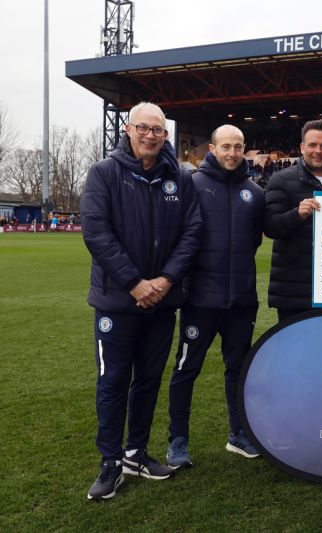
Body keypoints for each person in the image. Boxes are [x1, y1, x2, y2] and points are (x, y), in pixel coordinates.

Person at [80, 102, 201, 500]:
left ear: (166, 135)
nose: (151, 135)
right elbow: (96, 234)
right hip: (117, 303)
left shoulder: (179, 178)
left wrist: (165, 281)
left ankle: (136, 452)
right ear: (129, 130)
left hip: (162, 303)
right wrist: (135, 283)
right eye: (144, 128)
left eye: (159, 130)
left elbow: (191, 233)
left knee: (148, 381)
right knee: (112, 382)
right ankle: (110, 462)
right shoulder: (103, 173)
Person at [165, 125, 265, 469]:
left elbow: (253, 240)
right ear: (213, 147)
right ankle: (178, 440)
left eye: (238, 147)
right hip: (200, 300)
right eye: (226, 147)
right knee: (186, 368)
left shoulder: (255, 191)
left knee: (238, 369)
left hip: (240, 301)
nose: (232, 153)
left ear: (244, 149)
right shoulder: (192, 184)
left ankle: (238, 434)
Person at [264, 119, 322, 322]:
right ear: (302, 147)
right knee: (295, 352)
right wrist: (297, 214)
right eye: (312, 145)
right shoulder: (281, 179)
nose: (318, 150)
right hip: (294, 293)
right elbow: (270, 227)